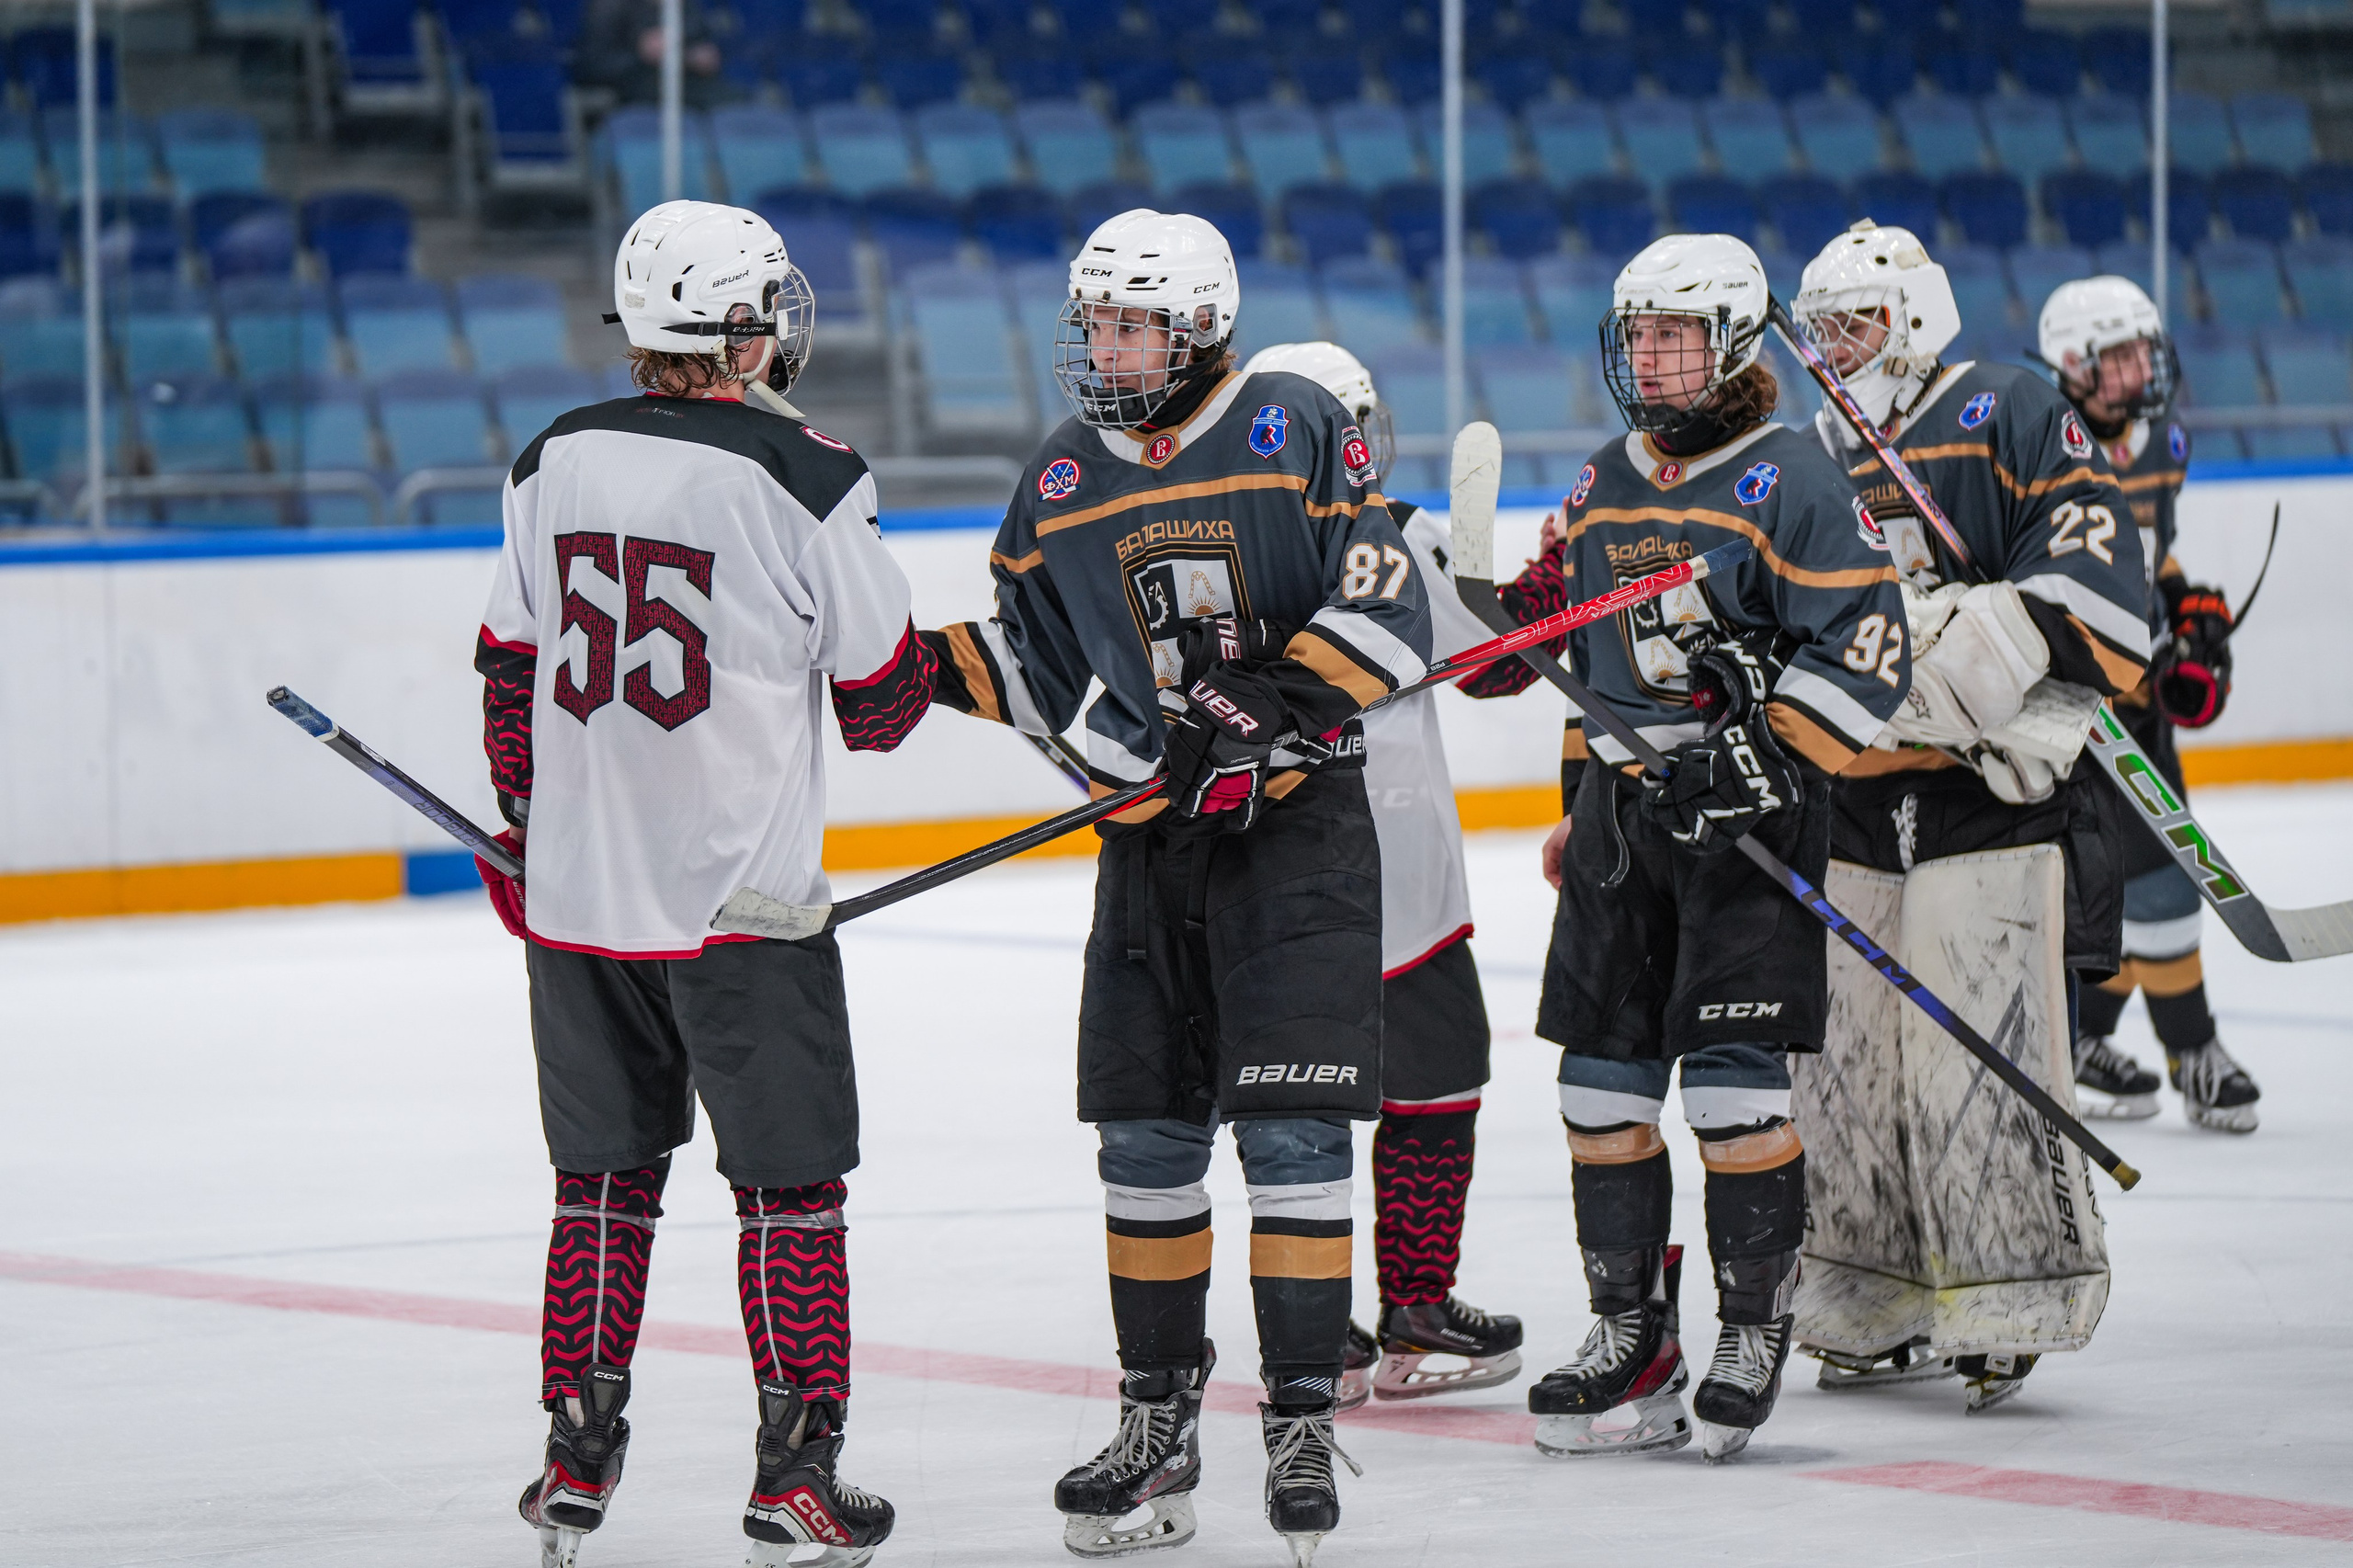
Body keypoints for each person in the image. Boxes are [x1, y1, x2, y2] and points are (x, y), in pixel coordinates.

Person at [917, 210, 1431, 1565]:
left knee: (1295, 1140)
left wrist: (1259, 709)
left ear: (1201, 321)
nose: (1105, 347)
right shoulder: (1058, 480)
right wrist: (920, 672)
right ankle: (1159, 1422)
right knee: (1144, 1144)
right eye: (1092, 323)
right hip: (1152, 850)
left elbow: (1385, 607)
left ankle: (1303, 1417)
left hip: (1297, 835)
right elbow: (1038, 668)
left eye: (1130, 323)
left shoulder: (1294, 422)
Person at [478, 200, 927, 1568]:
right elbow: (886, 702)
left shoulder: (550, 456)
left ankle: (573, 1460)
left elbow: (509, 679)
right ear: (739, 328)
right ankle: (797, 1477)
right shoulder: (805, 469)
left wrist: (524, 826)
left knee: (601, 1187)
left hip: (580, 910)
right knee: (790, 1195)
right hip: (745, 914)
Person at [1460, 233, 1912, 1462]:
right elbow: (1551, 629)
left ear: (1731, 345)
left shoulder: (1794, 477)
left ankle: (1753, 1325)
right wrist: (1487, 622)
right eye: (1637, 332)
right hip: (1623, 821)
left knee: (1728, 1089)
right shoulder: (1610, 476)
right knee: (1596, 1092)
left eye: (1674, 333)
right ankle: (1631, 1332)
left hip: (1748, 819)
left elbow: (1871, 644)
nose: (1648, 354)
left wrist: (1770, 746)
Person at [1788, 221, 2152, 1413]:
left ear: (1914, 316)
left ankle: (2008, 1287)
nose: (1838, 349)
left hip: (1986, 800)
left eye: (1858, 324)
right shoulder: (1809, 454)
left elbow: (2097, 596)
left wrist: (1970, 640)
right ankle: (1864, 1287)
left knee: (1977, 1054)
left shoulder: (2002, 406)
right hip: (1852, 796)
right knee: (1845, 1063)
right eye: (1824, 329)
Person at [1240, 342, 1525, 1410]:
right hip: (1398, 878)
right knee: (1432, 1084)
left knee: (1298, 1108)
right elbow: (1501, 665)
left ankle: (1325, 1335)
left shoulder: (1229, 539)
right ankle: (1408, 1306)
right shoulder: (1396, 537)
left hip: (1270, 873)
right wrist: (1485, 589)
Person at [2039, 276, 2260, 1132]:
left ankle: (2090, 1036)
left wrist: (2187, 602)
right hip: (2071, 706)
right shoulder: (2040, 445)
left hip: (2138, 697)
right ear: (2072, 364)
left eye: (2143, 349)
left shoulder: (2162, 439)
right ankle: (2192, 1047)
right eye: (2120, 354)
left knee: (2134, 880)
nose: (2142, 367)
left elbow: (2153, 552)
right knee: (2155, 876)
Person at [578, 0, 730, 108]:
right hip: (634, 92)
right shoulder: (610, 6)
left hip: (691, 87)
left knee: (734, 100)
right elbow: (592, 66)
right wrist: (641, 54)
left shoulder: (686, 7)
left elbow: (702, 47)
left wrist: (694, 57)